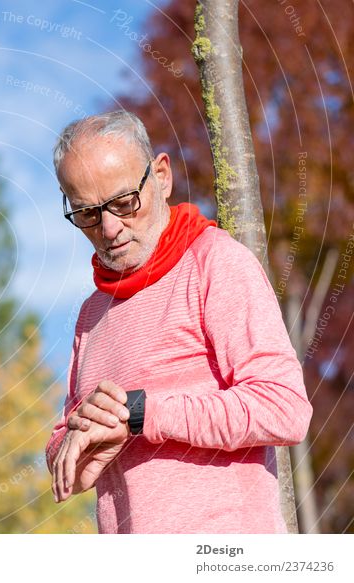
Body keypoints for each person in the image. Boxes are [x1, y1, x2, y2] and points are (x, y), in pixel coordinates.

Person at [46, 110, 312, 534]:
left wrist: (143, 413)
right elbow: (63, 444)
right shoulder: (90, 314)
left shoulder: (216, 264)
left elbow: (284, 409)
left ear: (162, 177)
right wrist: (75, 453)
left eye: (123, 202)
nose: (110, 228)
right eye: (88, 213)